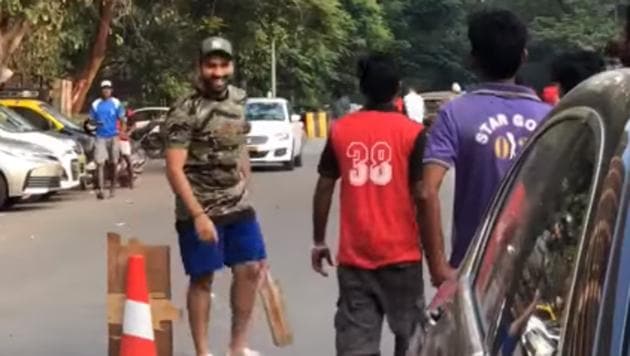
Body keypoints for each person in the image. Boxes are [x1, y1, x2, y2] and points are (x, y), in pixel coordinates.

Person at [312, 53, 437, 356]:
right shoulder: (413, 133)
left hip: (355, 261)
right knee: (410, 342)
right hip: (403, 258)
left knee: (356, 346)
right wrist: (435, 260)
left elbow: (325, 187)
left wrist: (318, 240)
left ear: (362, 88)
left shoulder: (341, 130)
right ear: (398, 88)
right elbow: (423, 195)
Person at [420, 9, 552, 286]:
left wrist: (438, 266)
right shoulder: (550, 117)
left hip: (472, 270)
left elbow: (426, 190)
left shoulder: (455, 114)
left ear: (473, 60)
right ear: (524, 57)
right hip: (533, 270)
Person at [164, 36, 265, 356]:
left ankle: (237, 347)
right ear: (200, 67)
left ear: (232, 66)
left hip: (237, 202)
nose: (218, 72)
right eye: (211, 65)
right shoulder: (184, 109)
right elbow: (174, 169)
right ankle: (203, 351)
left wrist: (244, 180)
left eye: (223, 65)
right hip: (199, 205)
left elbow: (239, 145)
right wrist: (198, 215)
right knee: (203, 277)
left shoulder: (239, 99)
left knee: (250, 269)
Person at [89, 80, 126, 200]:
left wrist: (121, 132)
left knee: (113, 163)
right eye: (104, 88)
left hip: (113, 136)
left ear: (111, 90)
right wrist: (95, 123)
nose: (106, 90)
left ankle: (112, 188)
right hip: (100, 136)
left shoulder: (116, 103)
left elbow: (122, 119)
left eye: (108, 88)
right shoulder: (96, 104)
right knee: (100, 163)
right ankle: (101, 189)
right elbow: (90, 120)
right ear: (101, 91)